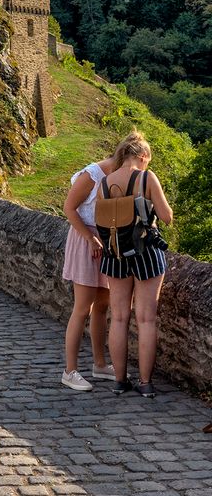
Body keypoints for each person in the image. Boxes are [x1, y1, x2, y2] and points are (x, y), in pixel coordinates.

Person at [97, 130, 173, 397]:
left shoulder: (105, 183)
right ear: (142, 156)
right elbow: (166, 217)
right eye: (147, 160)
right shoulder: (146, 177)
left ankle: (119, 381)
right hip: (146, 253)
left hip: (116, 253)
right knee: (146, 319)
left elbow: (102, 223)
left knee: (118, 318)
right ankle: (145, 383)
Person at [61, 153, 117, 391]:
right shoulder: (92, 174)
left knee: (103, 305)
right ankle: (70, 371)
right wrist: (90, 238)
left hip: (105, 242)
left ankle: (100, 364)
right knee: (83, 308)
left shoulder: (121, 176)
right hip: (86, 240)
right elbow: (69, 208)